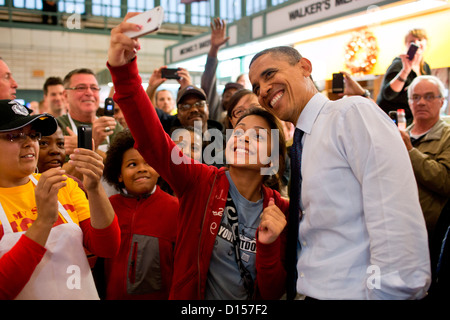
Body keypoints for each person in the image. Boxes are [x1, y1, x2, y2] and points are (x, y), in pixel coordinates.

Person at [107, 15, 289, 300]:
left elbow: (274, 292)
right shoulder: (200, 182)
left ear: (273, 158)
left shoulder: (280, 210)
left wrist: (267, 246)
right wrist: (124, 72)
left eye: (257, 136)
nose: (242, 137)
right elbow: (151, 138)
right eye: (238, 131)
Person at [248, 46, 431, 300]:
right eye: (256, 87)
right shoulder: (303, 142)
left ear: (305, 67)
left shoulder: (351, 114)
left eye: (269, 74)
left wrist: (387, 293)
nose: (263, 90)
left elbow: (393, 215)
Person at [0, 99, 120, 299]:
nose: (29, 143)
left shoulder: (63, 184)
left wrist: (94, 188)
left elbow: (107, 247)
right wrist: (43, 222)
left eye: (33, 135)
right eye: (14, 136)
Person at [102, 129, 179, 299]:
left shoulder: (175, 209)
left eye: (148, 163)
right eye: (132, 164)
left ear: (158, 168)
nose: (142, 169)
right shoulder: (108, 207)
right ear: (119, 175)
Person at [397, 75, 450, 298]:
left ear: (441, 101)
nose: (420, 102)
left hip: (432, 237)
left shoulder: (447, 136)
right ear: (409, 103)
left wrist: (409, 151)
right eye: (415, 97)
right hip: (400, 234)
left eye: (429, 97)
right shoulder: (400, 135)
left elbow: (445, 181)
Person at [57, 68, 123, 184]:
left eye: (94, 88)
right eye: (81, 88)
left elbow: (123, 171)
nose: (89, 93)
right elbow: (60, 180)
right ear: (65, 95)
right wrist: (93, 143)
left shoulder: (112, 126)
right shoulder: (57, 128)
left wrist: (85, 146)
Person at [377, 28, 431, 124]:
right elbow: (389, 94)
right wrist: (405, 70)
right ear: (406, 44)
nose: (416, 43)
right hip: (392, 119)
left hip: (412, 119)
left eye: (420, 40)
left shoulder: (425, 67)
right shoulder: (399, 64)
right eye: (412, 41)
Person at [201, 18, 244, 124]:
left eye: (235, 95)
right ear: (222, 98)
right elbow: (208, 81)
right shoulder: (215, 111)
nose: (231, 98)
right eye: (228, 95)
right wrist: (214, 49)